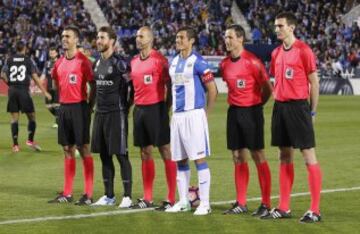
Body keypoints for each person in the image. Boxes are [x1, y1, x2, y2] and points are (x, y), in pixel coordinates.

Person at [260, 12, 322, 223]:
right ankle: (283, 207)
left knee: (308, 155)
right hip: (280, 107)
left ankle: (315, 210)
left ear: (291, 28)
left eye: (280, 26)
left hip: (298, 108)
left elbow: (314, 83)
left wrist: (312, 111)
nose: (277, 29)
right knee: (284, 155)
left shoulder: (304, 51)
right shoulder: (276, 53)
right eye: (276, 26)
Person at [220, 25, 273, 216]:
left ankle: (266, 204)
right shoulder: (224, 64)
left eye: (230, 37)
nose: (227, 40)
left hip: (252, 112)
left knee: (258, 155)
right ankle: (240, 203)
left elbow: (267, 88)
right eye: (225, 37)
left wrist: (257, 105)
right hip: (233, 112)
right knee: (237, 156)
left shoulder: (253, 62)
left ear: (240, 39)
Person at [165, 26, 218, 215]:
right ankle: (184, 201)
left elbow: (213, 89)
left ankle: (205, 203)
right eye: (177, 37)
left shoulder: (199, 62)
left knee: (199, 159)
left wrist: (205, 113)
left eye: (181, 37)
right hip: (177, 117)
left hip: (194, 115)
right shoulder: (173, 62)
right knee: (180, 160)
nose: (178, 40)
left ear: (191, 40)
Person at [129, 26, 177, 211]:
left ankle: (171, 197)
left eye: (141, 36)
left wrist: (165, 108)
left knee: (165, 150)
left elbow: (170, 86)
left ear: (150, 39)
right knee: (144, 152)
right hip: (139, 110)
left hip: (157, 109)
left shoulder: (160, 60)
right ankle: (147, 197)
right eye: (137, 36)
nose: (138, 39)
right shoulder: (133, 61)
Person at [48, 25, 95, 205]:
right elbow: (55, 82)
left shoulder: (84, 61)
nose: (64, 39)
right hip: (65, 108)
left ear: (76, 40)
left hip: (80, 107)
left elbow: (94, 86)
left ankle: (88, 194)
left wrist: (89, 106)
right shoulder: (59, 62)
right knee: (67, 149)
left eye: (68, 36)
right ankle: (67, 194)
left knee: (83, 149)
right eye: (63, 36)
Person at [90, 26, 133, 208]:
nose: (98, 41)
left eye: (102, 38)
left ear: (112, 41)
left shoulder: (121, 63)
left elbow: (133, 88)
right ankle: (109, 196)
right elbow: (94, 89)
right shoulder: (96, 63)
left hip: (117, 114)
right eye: (98, 37)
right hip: (100, 114)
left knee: (121, 154)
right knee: (104, 156)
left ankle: (127, 197)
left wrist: (127, 107)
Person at [0, 41, 51, 152]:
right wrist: (45, 92)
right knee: (32, 116)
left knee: (14, 118)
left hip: (12, 91)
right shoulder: (28, 60)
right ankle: (30, 140)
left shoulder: (9, 59)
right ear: (24, 49)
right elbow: (35, 78)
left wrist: (11, 84)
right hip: (23, 90)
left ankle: (15, 145)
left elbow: (2, 75)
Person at [40, 46, 60, 128]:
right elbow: (44, 74)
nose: (51, 54)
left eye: (53, 52)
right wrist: (39, 82)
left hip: (57, 88)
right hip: (49, 88)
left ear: (57, 53)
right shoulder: (47, 63)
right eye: (50, 53)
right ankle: (60, 117)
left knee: (56, 105)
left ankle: (57, 122)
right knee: (48, 106)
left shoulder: (60, 62)